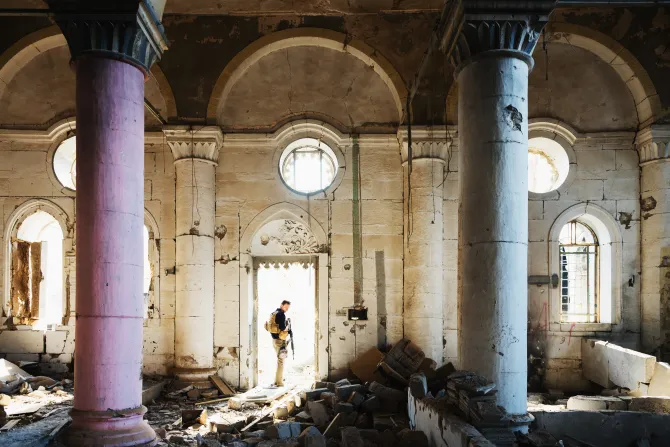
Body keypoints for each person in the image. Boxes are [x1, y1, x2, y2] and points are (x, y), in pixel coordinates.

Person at [270, 300, 292, 387]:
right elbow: (283, 328)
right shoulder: (281, 314)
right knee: (281, 361)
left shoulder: (274, 313)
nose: (286, 309)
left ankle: (276, 381)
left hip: (275, 340)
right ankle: (279, 383)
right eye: (285, 307)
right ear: (281, 305)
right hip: (280, 341)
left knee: (279, 360)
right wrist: (288, 328)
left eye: (288, 308)